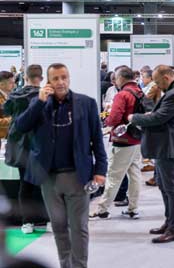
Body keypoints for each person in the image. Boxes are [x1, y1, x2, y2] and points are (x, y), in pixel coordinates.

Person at [15, 63, 107, 268]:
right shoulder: (38, 103)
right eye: (55, 78)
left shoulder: (87, 103)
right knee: (58, 227)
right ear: (48, 81)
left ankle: (79, 265)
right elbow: (21, 126)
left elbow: (97, 140)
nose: (60, 82)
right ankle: (66, 265)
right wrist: (38, 103)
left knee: (79, 227)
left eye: (64, 77)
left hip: (78, 175)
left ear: (69, 78)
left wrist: (100, 170)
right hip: (49, 178)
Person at [128, 65, 174, 244]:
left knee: (171, 188)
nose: (156, 84)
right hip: (166, 145)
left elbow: (158, 118)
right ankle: (169, 222)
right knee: (164, 186)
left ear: (166, 77)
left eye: (157, 80)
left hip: (169, 146)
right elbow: (162, 115)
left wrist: (135, 118)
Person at [90, 66, 144, 221]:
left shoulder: (122, 95)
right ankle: (133, 209)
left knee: (113, 176)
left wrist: (106, 120)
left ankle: (102, 210)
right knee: (135, 175)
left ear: (121, 78)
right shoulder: (139, 91)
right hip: (136, 139)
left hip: (123, 140)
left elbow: (113, 119)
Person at [4, 65, 43, 234]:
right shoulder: (46, 96)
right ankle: (46, 220)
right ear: (41, 78)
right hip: (41, 146)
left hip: (21, 146)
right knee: (44, 185)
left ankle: (27, 222)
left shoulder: (14, 96)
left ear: (25, 77)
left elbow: (7, 112)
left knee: (24, 184)